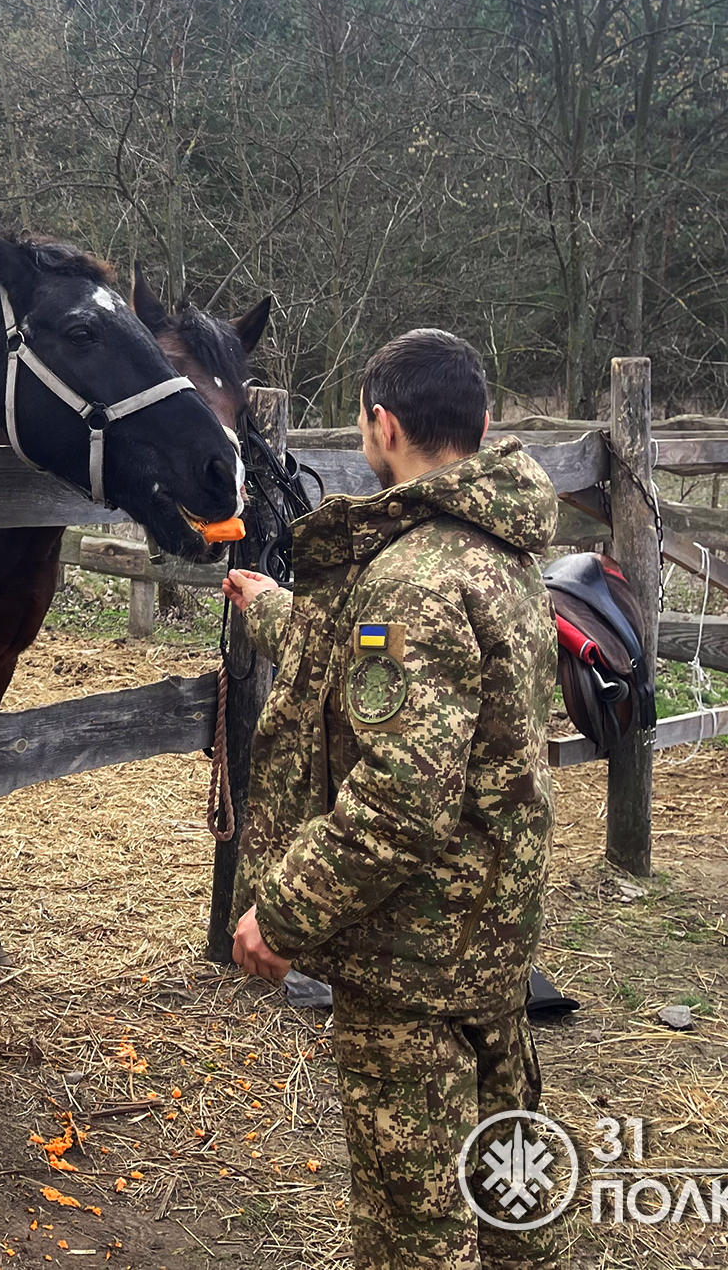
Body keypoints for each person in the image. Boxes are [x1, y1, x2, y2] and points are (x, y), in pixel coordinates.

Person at [221, 330, 559, 1268]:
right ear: (481, 425)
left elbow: (401, 797)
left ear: (381, 425)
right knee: (513, 1201)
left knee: (417, 1228)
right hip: (494, 934)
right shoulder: (501, 554)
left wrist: (282, 913)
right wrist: (276, 610)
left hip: (415, 960)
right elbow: (413, 677)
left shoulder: (406, 580)